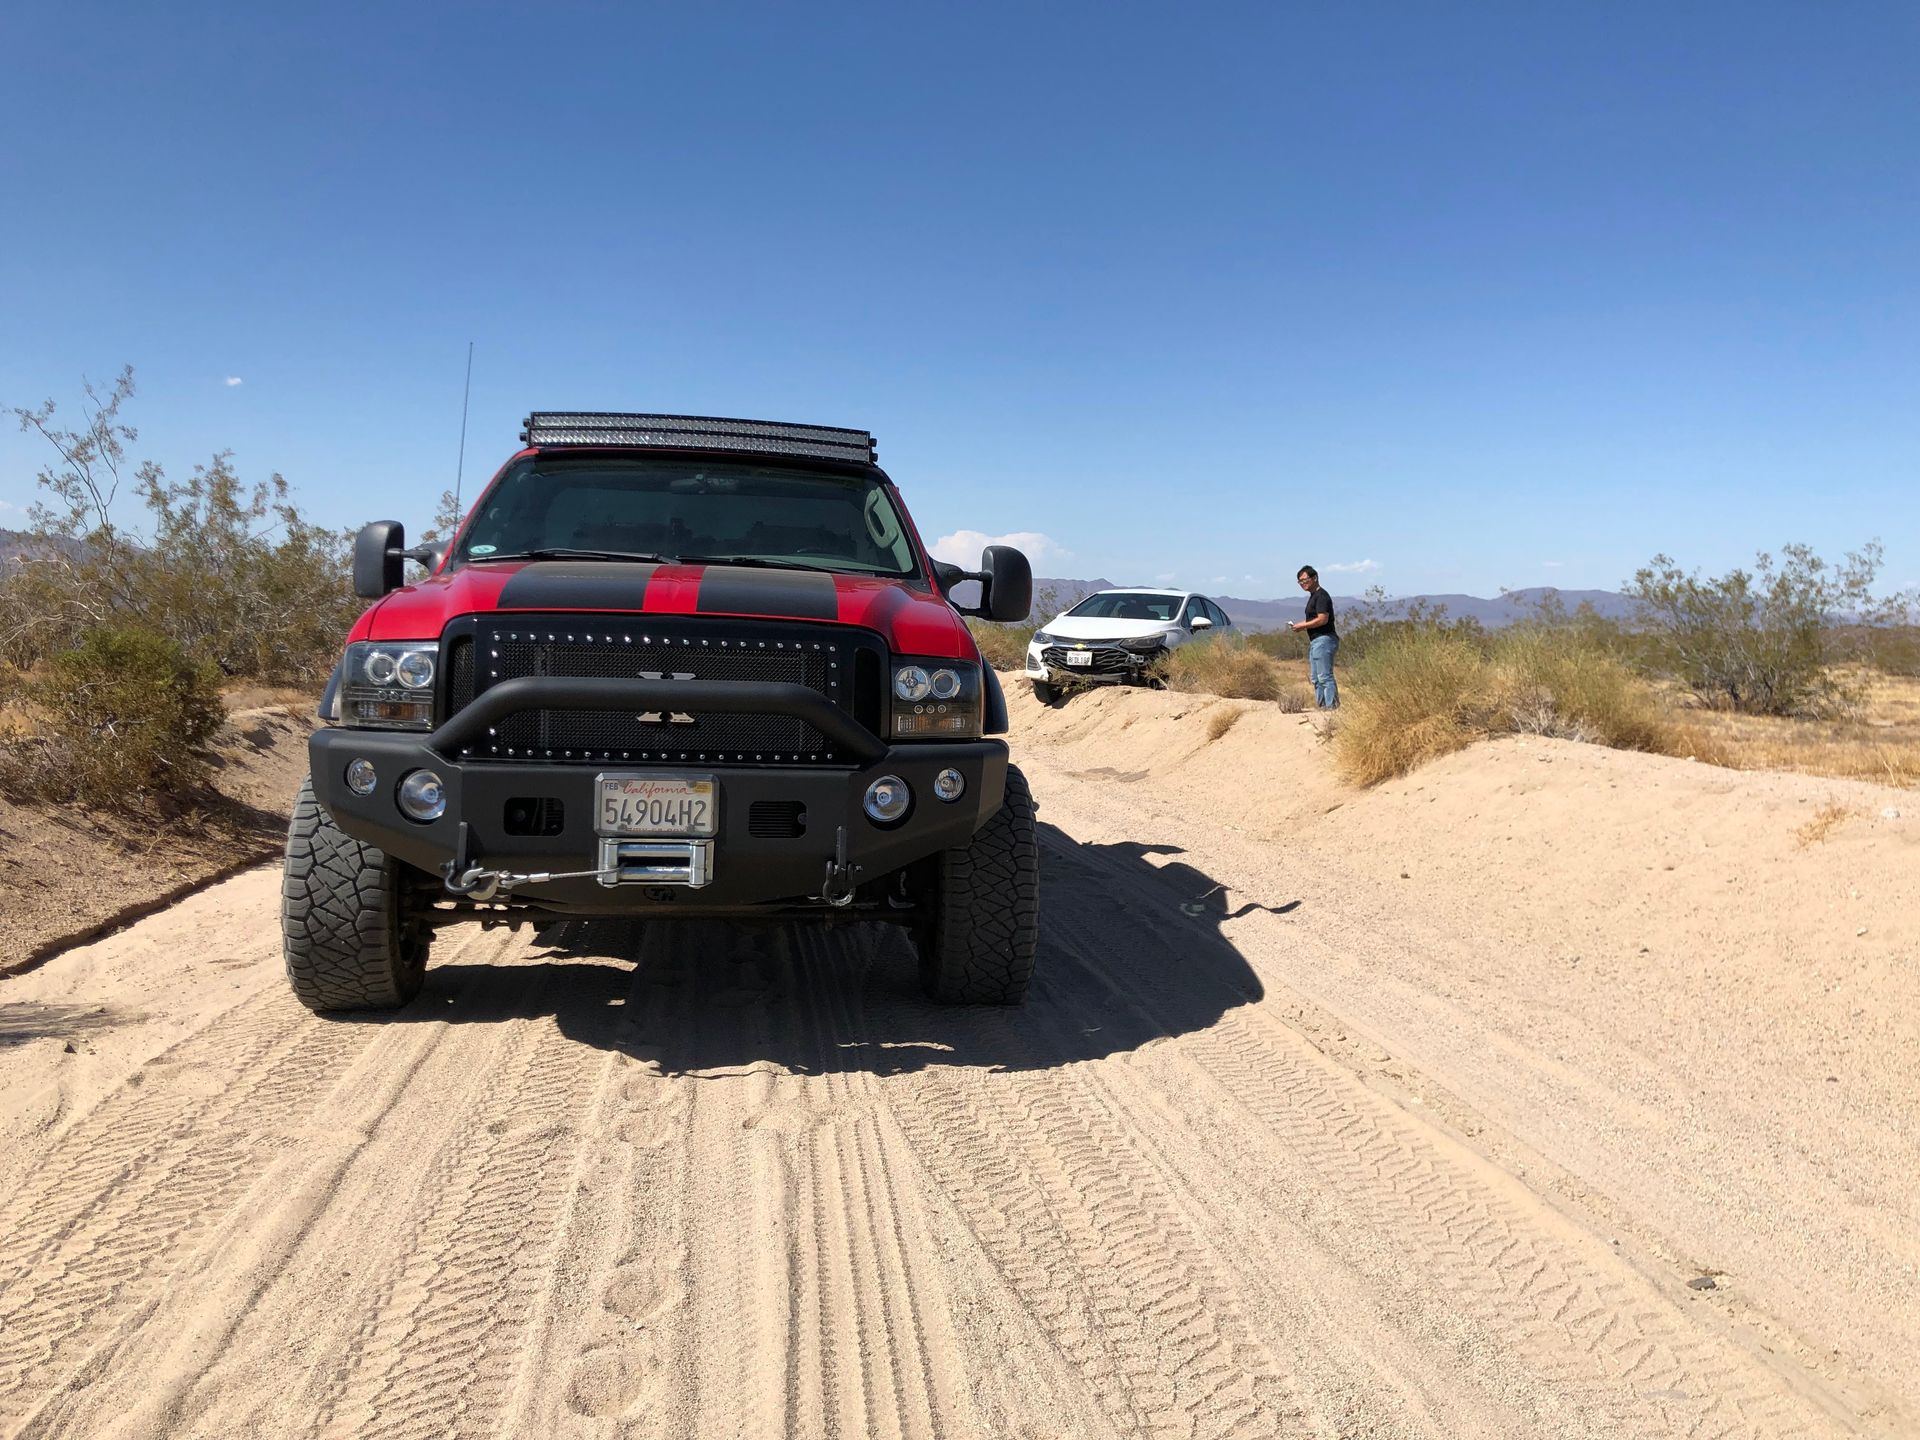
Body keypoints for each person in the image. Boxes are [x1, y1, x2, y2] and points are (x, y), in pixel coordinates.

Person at [1288, 565, 1338, 707]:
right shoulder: (1313, 597)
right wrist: (1299, 625)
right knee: (1316, 678)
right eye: (1300, 582)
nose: (1303, 584)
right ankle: (1322, 707)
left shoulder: (1321, 596)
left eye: (1305, 580)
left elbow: (1323, 619)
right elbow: (1313, 619)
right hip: (1316, 640)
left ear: (1314, 578)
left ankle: (1332, 708)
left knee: (1324, 677)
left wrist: (1302, 626)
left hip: (1324, 639)